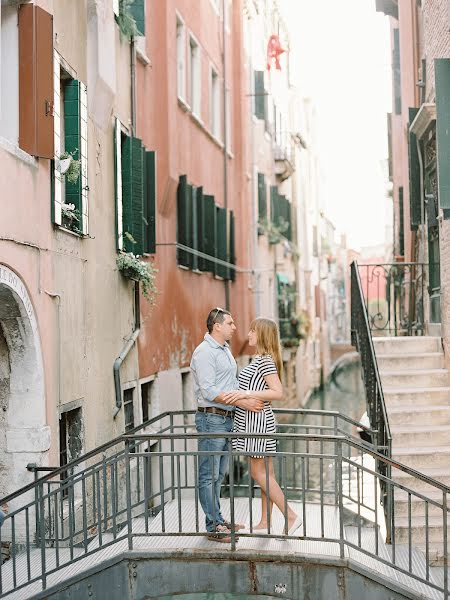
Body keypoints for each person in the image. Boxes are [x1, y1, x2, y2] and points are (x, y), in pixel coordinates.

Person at [191, 307, 265, 543]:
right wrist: (243, 400)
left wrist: (245, 397)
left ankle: (219, 520)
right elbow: (209, 390)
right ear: (217, 326)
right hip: (211, 419)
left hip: (226, 418)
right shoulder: (204, 352)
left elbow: (231, 383)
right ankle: (213, 526)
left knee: (220, 473)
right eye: (231, 323)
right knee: (208, 474)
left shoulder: (224, 351)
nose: (235, 327)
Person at [224, 317, 302, 537]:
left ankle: (291, 516)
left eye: (252, 331)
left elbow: (278, 392)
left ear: (262, 335)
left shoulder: (264, 361)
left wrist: (245, 394)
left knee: (258, 473)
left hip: (256, 423)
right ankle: (265, 522)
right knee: (267, 474)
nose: (248, 334)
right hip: (256, 421)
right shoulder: (259, 359)